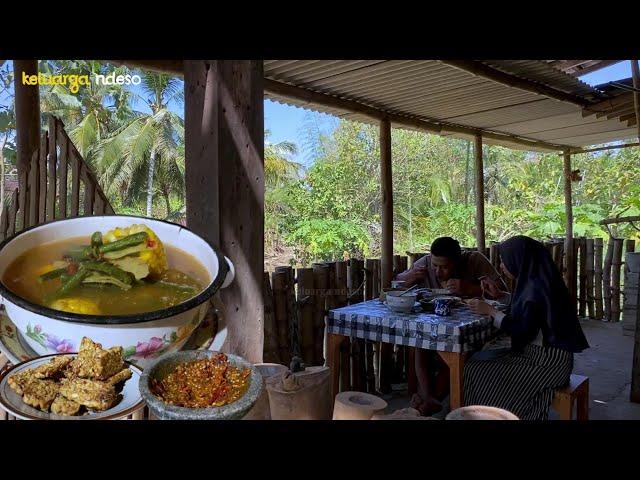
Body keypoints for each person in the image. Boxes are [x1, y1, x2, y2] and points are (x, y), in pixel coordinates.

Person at [465, 235, 589, 420]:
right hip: (546, 356)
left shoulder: (535, 287)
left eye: (503, 261)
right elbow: (530, 311)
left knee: (475, 369)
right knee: (478, 360)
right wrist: (501, 296)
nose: (500, 266)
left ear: (518, 259)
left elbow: (523, 330)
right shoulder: (540, 280)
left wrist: (491, 311)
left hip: (548, 363)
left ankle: (496, 415)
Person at [394, 237, 506, 415]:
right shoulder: (425, 263)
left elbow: (501, 289)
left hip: (473, 326)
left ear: (457, 261)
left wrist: (469, 288)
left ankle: (429, 400)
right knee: (420, 340)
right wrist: (410, 277)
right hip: (436, 322)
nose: (438, 272)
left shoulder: (474, 260)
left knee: (457, 350)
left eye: (444, 267)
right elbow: (395, 285)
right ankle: (430, 399)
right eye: (435, 265)